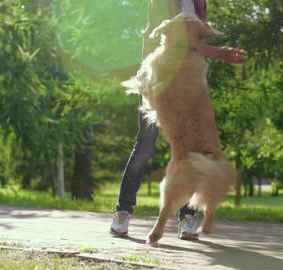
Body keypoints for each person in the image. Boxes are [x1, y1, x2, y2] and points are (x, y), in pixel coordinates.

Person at [110, 0, 246, 240]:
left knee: (193, 150)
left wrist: (219, 52)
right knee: (144, 146)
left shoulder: (199, 4)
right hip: (162, 79)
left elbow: (196, 44)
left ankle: (188, 216)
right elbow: (159, 39)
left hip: (188, 82)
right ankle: (123, 211)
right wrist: (219, 52)